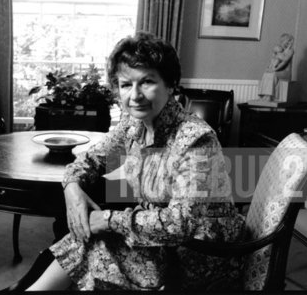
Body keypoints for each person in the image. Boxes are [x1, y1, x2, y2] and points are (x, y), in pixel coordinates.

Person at [25, 32, 245, 291]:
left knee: (97, 242)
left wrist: (107, 219)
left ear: (171, 84)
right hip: (159, 240)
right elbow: (93, 158)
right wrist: (71, 186)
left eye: (147, 82)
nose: (135, 95)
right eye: (126, 84)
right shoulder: (133, 123)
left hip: (199, 255)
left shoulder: (196, 139)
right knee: (89, 239)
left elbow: (182, 223)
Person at [258, 33, 294, 101]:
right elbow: (274, 59)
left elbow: (285, 61)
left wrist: (274, 69)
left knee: (273, 74)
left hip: (285, 72)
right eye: (288, 41)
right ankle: (264, 95)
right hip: (277, 69)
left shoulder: (290, 51)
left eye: (290, 41)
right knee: (266, 74)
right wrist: (270, 68)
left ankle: (269, 96)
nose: (289, 43)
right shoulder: (280, 49)